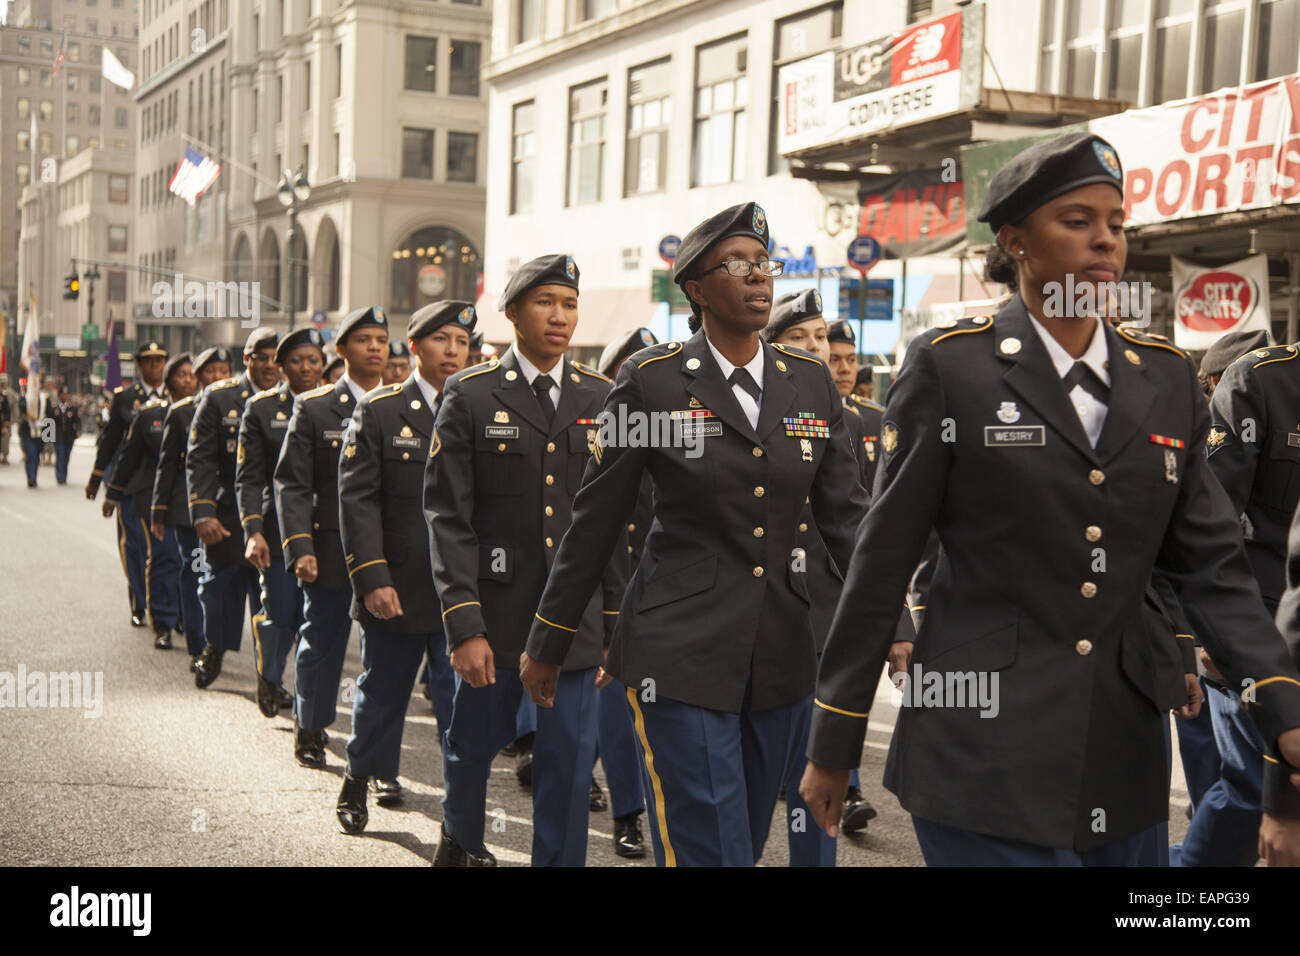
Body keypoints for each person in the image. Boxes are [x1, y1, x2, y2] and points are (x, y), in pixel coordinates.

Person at [798, 131, 1300, 867]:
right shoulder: (951, 369)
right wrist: (835, 739)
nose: (1105, 241)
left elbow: (1215, 569)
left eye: (1117, 224)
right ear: (1016, 241)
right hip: (978, 749)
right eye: (1077, 221)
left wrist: (1284, 708)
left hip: (1120, 753)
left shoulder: (1164, 380)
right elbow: (881, 559)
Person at [520, 204, 869, 867]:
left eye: (764, 264)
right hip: (675, 655)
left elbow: (847, 516)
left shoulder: (811, 383)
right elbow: (595, 518)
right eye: (737, 265)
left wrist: (898, 622)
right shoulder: (651, 382)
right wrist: (551, 637)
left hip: (783, 653)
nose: (758, 277)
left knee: (742, 838)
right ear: (697, 288)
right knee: (712, 847)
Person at [424, 254, 626, 867]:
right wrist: (464, 624)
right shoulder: (471, 394)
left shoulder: (604, 396)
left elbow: (617, 524)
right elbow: (448, 517)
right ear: (512, 313)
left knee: (565, 762)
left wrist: (616, 625)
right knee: (473, 745)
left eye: (569, 304)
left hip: (573, 624)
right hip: (495, 615)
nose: (559, 316)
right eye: (545, 302)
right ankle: (460, 837)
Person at [333, 301, 471, 833]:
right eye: (441, 340)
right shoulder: (381, 409)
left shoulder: (482, 407)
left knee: (462, 709)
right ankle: (357, 775)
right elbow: (358, 500)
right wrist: (373, 578)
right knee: (382, 696)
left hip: (463, 593)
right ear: (413, 347)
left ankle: (460, 823)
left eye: (462, 341)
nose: (453, 351)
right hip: (397, 588)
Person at [761, 292, 877, 863]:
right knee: (750, 790)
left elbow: (857, 520)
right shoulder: (743, 408)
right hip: (758, 616)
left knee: (817, 779)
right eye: (799, 338)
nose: (816, 349)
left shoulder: (845, 419)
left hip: (823, 613)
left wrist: (894, 617)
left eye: (820, 338)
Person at [1181, 335, 1300, 865]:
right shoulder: (1261, 379)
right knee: (1253, 790)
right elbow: (1211, 518)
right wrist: (1214, 633)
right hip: (1262, 633)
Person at [275, 308, 388, 768]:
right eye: (364, 339)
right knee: (321, 640)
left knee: (386, 657)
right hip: (329, 548)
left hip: (389, 552)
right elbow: (293, 484)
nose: (376, 347)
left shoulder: (405, 405)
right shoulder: (316, 406)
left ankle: (377, 752)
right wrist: (299, 547)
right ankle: (311, 724)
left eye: (382, 339)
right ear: (340, 351)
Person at [590, 326, 659, 859]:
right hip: (609, 594)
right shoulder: (600, 434)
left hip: (663, 596)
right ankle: (627, 814)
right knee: (614, 711)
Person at [237, 328, 325, 718]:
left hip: (327, 531)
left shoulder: (337, 406)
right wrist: (253, 530)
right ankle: (270, 676)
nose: (305, 368)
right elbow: (250, 476)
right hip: (277, 531)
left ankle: (311, 708)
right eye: (296, 361)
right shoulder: (260, 409)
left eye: (313, 361)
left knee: (320, 622)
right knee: (283, 612)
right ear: (281, 366)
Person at [188, 330, 280, 690]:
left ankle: (269, 677)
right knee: (217, 595)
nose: (270, 365)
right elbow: (200, 459)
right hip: (226, 515)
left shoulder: (296, 402)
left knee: (274, 604)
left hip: (273, 517)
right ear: (248, 359)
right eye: (263, 357)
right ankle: (214, 647)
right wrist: (203, 513)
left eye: (276, 357)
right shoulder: (220, 397)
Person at [103, 353, 193, 648]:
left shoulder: (206, 412)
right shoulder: (150, 413)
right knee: (164, 557)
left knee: (190, 562)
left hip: (194, 501)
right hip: (157, 498)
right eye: (181, 375)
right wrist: (111, 492)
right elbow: (127, 456)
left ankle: (186, 616)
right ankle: (163, 623)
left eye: (192, 375)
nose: (188, 381)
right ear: (169, 382)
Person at [154, 347, 232, 669]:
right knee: (195, 569)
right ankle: (199, 644)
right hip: (189, 513)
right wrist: (158, 512)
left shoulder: (241, 408)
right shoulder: (183, 412)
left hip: (227, 510)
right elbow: (167, 465)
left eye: (222, 371)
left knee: (221, 578)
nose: (217, 377)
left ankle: (217, 637)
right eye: (209, 371)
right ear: (198, 378)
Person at [87, 341, 168, 625]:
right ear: (140, 365)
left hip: (167, 486)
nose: (155, 366)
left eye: (159, 360)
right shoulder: (125, 398)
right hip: (131, 485)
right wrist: (97, 479)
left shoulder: (177, 395)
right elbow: (110, 443)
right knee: (134, 545)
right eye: (149, 361)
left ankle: (171, 605)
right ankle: (138, 602)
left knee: (169, 550)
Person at [17, 381, 48, 488]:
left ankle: (34, 475)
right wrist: (30, 400)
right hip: (28, 433)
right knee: (30, 455)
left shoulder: (44, 399)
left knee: (37, 456)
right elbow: (22, 408)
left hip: (41, 433)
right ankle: (31, 478)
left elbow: (50, 416)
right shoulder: (24, 398)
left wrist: (49, 436)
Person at [51, 386, 80, 484]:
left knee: (66, 457)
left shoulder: (72, 407)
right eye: (63, 394)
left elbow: (77, 421)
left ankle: (64, 475)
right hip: (58, 436)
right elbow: (49, 422)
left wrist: (78, 431)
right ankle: (60, 477)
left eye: (66, 394)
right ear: (59, 395)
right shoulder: (54, 407)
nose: (65, 396)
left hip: (69, 436)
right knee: (60, 455)